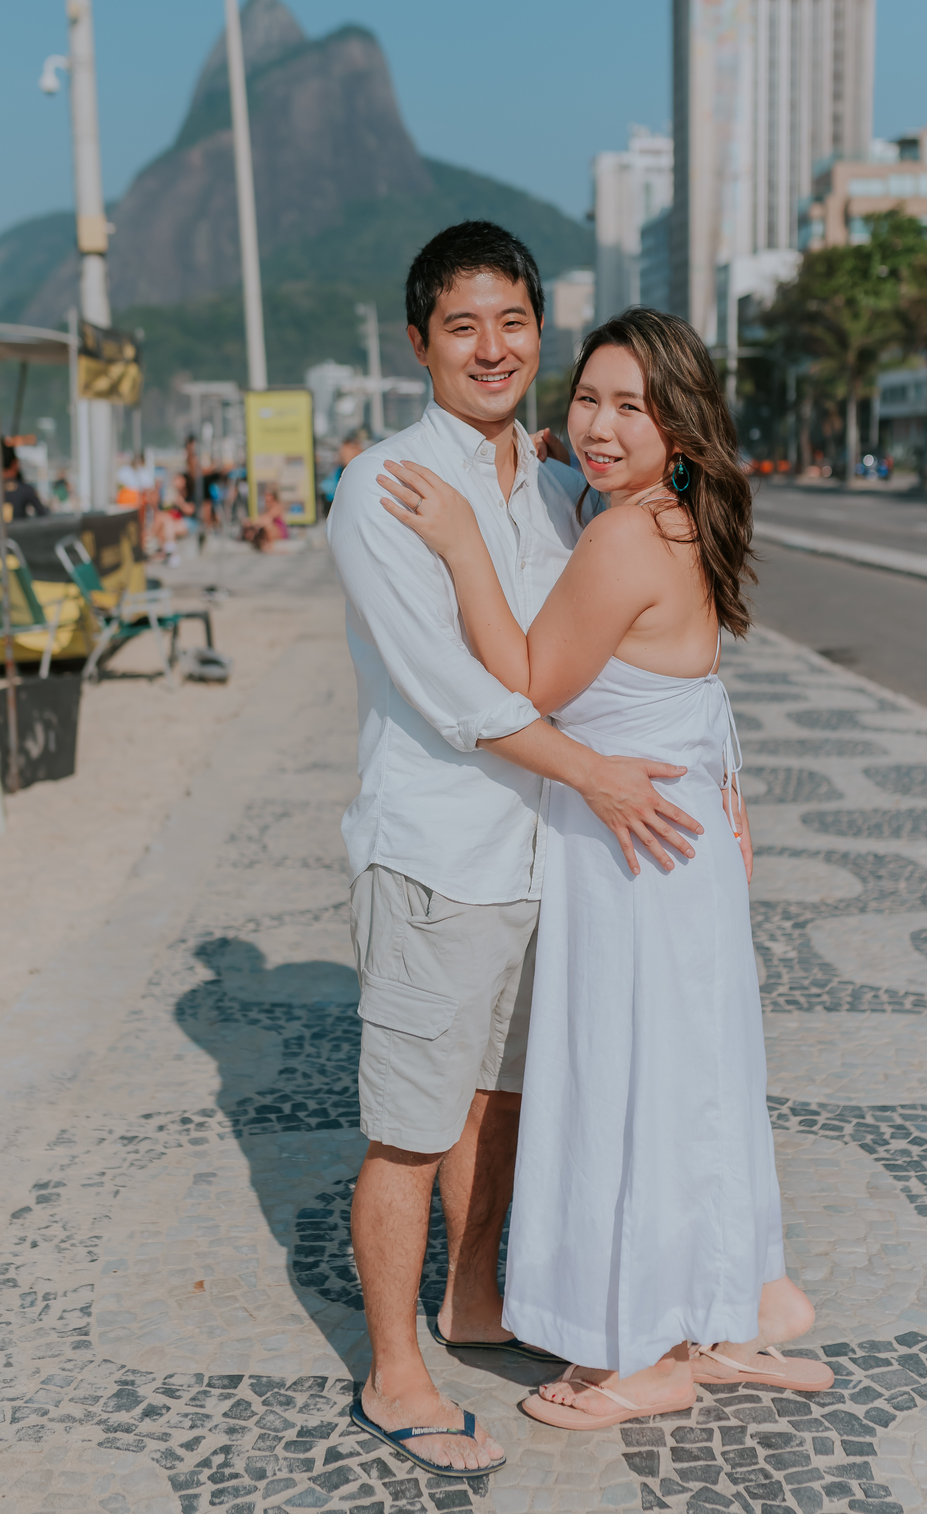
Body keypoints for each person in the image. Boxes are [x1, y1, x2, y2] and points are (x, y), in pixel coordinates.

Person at [379, 307, 832, 1434]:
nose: (600, 424)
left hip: (636, 855)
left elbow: (527, 675)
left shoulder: (629, 534)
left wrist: (465, 544)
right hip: (673, 850)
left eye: (633, 405)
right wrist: (550, 473)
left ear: (680, 424)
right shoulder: (670, 518)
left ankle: (648, 1352)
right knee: (690, 1083)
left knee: (629, 1087)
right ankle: (717, 1313)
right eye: (588, 398)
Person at [329, 225, 704, 1478]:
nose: (493, 348)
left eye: (513, 322)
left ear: (539, 328)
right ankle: (394, 1371)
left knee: (506, 1099)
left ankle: (476, 1300)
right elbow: (457, 694)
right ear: (419, 342)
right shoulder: (385, 484)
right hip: (440, 851)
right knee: (411, 1123)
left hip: (553, 858)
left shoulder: (556, 481)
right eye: (461, 326)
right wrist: (598, 773)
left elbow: (629, 634)